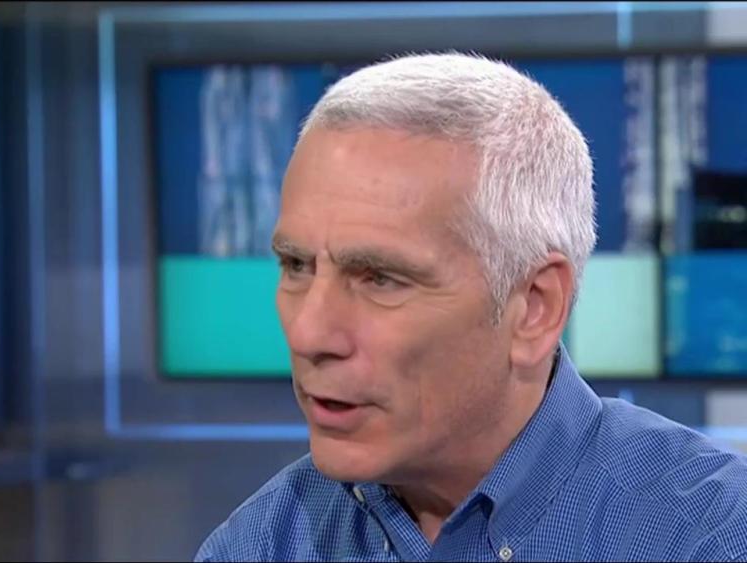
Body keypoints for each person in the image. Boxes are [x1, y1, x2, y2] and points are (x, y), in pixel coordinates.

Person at [194, 52, 747, 562]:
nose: (308, 334)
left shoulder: (711, 535)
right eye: (296, 265)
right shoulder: (259, 544)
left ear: (534, 307)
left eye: (380, 278)